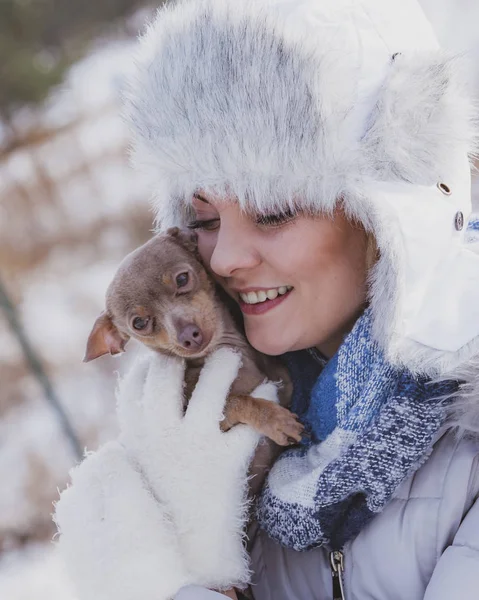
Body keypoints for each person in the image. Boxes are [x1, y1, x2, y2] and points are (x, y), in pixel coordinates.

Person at [54, 0, 479, 598]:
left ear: (389, 206)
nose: (223, 258)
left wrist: (163, 587)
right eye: (202, 216)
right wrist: (192, 542)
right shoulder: (213, 441)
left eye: (272, 210)